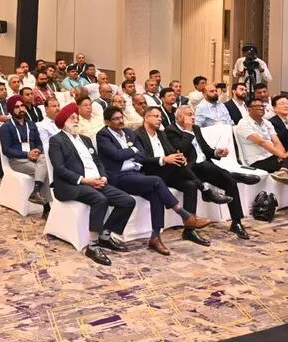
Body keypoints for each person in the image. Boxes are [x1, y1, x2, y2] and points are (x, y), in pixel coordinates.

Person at [97, 106, 213, 255]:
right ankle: (184, 215)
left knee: (156, 194)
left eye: (121, 118)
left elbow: (142, 155)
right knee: (157, 181)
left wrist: (130, 152)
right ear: (107, 122)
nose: (120, 121)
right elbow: (116, 155)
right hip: (119, 176)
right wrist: (133, 150)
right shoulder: (103, 135)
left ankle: (155, 237)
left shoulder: (128, 133)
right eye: (115, 119)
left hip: (135, 173)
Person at [48, 103, 135, 266]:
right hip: (72, 184)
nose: (76, 120)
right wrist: (84, 180)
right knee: (100, 199)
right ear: (63, 122)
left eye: (77, 117)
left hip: (95, 181)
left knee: (127, 201)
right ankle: (93, 246)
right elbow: (59, 169)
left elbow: (98, 162)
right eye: (72, 118)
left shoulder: (86, 139)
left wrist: (104, 177)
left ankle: (105, 236)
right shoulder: (56, 140)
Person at [133, 107, 221, 246]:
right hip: (150, 172)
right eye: (156, 116)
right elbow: (141, 159)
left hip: (167, 171)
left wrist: (179, 156)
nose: (159, 119)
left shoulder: (161, 134)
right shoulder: (138, 135)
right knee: (177, 165)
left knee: (190, 185)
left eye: (160, 116)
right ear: (146, 117)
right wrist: (164, 159)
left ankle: (189, 230)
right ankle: (205, 190)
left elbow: (172, 150)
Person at [166, 105, 253, 240]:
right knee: (209, 167)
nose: (193, 117)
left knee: (230, 182)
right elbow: (180, 151)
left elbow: (205, 150)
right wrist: (187, 131)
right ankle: (232, 175)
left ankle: (236, 222)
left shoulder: (196, 128)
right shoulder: (171, 130)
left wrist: (217, 152)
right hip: (188, 170)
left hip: (205, 168)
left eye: (193, 114)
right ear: (179, 117)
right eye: (189, 114)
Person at [234, 98, 288, 220]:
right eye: (257, 106)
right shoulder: (243, 124)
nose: (261, 108)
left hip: (271, 156)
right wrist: (283, 156)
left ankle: (284, 170)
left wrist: (281, 154)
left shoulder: (266, 123)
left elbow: (276, 141)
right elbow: (262, 142)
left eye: (262, 106)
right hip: (257, 161)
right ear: (249, 109)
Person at [0, 95, 48, 205]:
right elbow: (6, 150)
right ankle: (47, 206)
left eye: (22, 106)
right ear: (11, 110)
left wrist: (37, 150)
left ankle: (36, 192)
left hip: (35, 157)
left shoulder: (31, 124)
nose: (21, 109)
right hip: (18, 160)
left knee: (44, 160)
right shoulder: (6, 127)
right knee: (43, 170)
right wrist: (26, 155)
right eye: (17, 107)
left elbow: (39, 143)